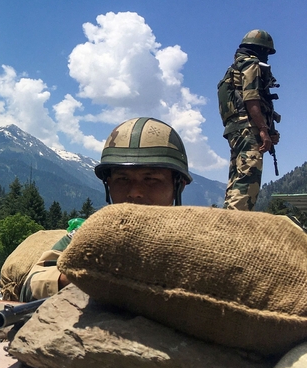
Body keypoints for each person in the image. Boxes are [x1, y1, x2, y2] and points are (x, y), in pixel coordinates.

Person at [17, 117, 192, 302]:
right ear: (109, 184)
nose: (135, 192)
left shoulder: (199, 242)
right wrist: (76, 276)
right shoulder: (87, 235)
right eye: (122, 180)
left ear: (179, 186)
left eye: (151, 179)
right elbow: (29, 287)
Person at [217, 29, 281, 211]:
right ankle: (235, 227)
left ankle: (227, 222)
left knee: (236, 179)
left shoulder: (233, 70)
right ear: (262, 50)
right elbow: (251, 98)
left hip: (235, 130)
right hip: (248, 129)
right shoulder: (251, 65)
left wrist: (269, 130)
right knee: (248, 181)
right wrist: (263, 129)